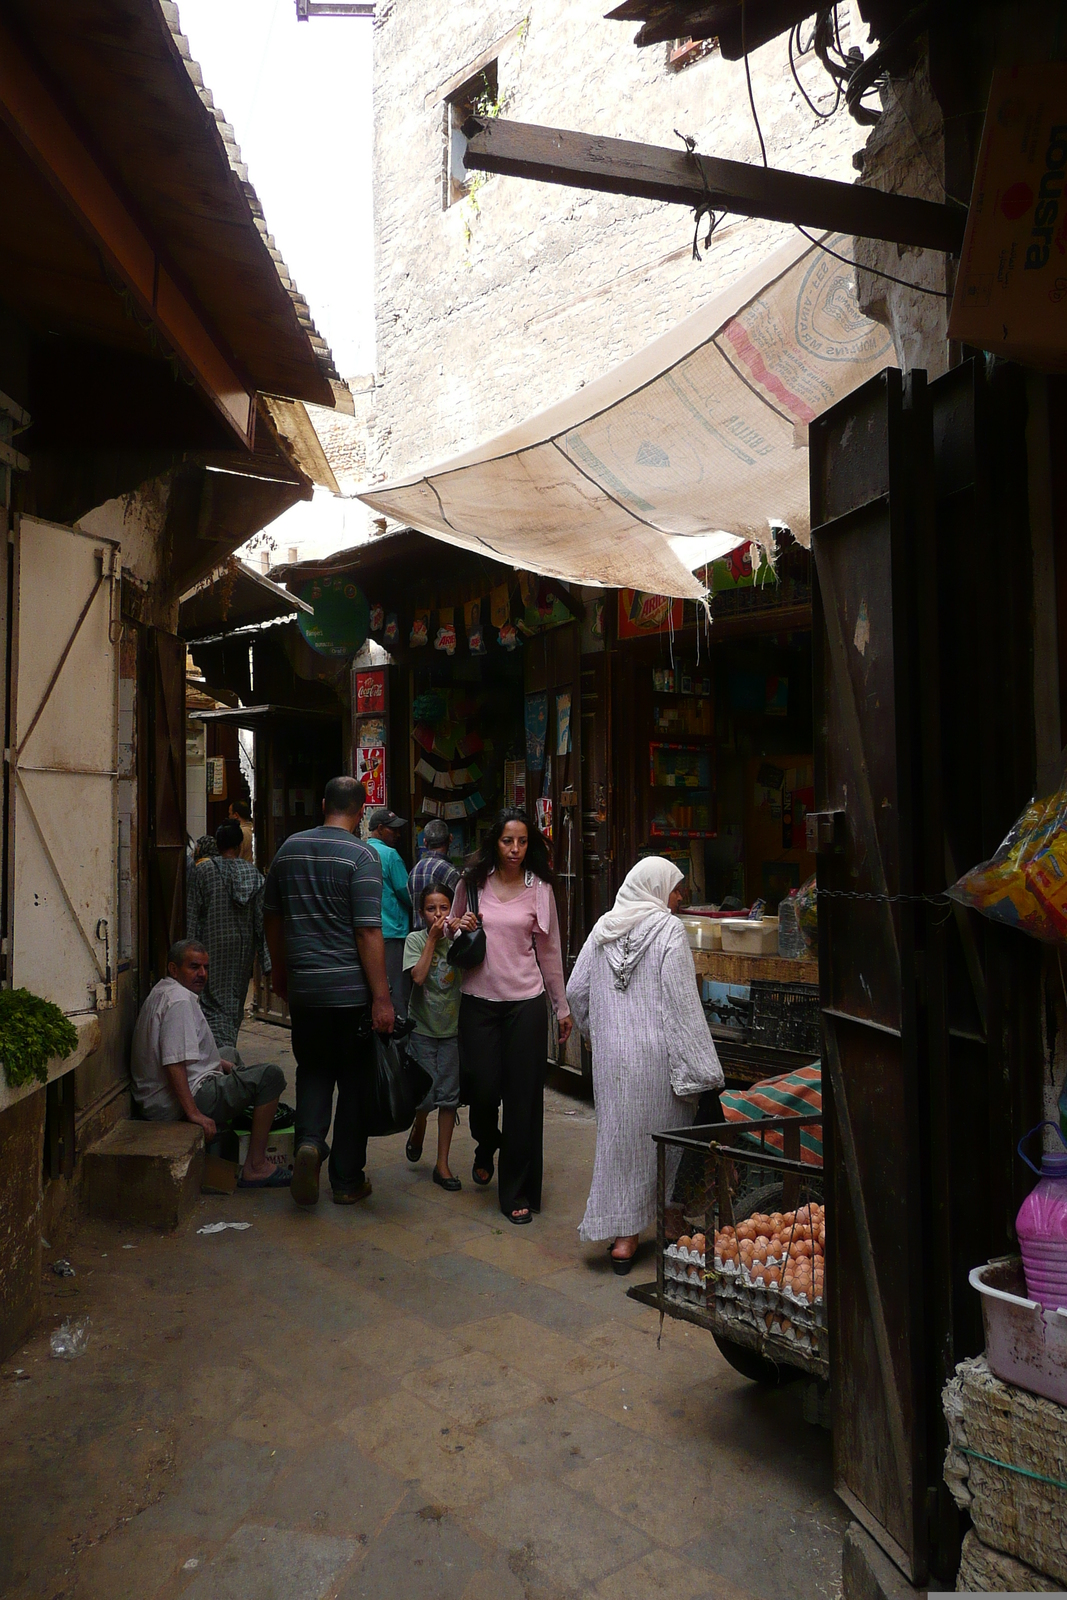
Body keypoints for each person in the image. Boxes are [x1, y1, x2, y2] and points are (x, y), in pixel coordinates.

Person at [567, 858, 723, 1273]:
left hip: (613, 1061)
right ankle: (668, 1221)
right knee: (666, 1140)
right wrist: (704, 1069)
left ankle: (625, 1238)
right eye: (675, 888)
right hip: (659, 1061)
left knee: (621, 1143)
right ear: (655, 888)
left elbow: (575, 991)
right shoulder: (669, 930)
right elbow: (682, 1004)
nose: (679, 897)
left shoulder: (603, 928)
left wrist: (598, 1033)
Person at [263, 776, 394, 1209]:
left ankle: (311, 1144)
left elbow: (273, 920)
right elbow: (367, 931)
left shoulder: (288, 850)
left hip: (305, 991)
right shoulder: (362, 856)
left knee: (313, 1070)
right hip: (350, 994)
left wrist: (280, 973)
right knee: (354, 1084)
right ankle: (346, 1180)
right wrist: (382, 997)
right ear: (360, 813)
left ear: (322, 804)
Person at [451, 808, 572, 1225]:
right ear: (495, 842)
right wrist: (459, 925)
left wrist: (561, 1006)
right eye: (508, 841)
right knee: (482, 1090)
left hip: (525, 1002)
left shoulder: (539, 889)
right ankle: (487, 1143)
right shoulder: (471, 882)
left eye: (522, 841)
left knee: (523, 1101)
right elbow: (450, 927)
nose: (515, 849)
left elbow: (550, 951)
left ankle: (516, 1190)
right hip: (478, 1002)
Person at [130, 939, 288, 1188]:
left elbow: (186, 1053)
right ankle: (256, 1166)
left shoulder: (166, 989)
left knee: (229, 1054)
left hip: (162, 1093)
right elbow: (174, 1063)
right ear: (173, 969)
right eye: (194, 967)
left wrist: (222, 1064)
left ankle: (234, 1124)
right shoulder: (180, 1002)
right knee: (271, 1076)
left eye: (205, 967)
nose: (202, 974)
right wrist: (194, 1114)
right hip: (174, 1103)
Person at [402, 882, 476, 1191]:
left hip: (451, 1031)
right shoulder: (415, 939)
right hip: (421, 1029)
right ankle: (419, 1125)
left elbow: (478, 963)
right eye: (431, 909)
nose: (438, 914)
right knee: (424, 1096)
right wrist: (433, 940)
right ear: (421, 913)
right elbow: (418, 977)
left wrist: (464, 932)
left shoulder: (458, 941)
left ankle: (442, 1163)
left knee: (449, 1099)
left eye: (444, 908)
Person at [186, 818, 270, 1059]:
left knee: (208, 1003)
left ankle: (215, 1057)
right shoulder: (254, 875)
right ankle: (225, 1051)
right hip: (241, 952)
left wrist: (186, 956)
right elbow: (260, 922)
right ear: (240, 843)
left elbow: (192, 914)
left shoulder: (203, 871)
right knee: (233, 1002)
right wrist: (267, 961)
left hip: (209, 948)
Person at [365, 806, 413, 1007]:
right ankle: (397, 1036)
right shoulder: (390, 855)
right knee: (396, 989)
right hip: (392, 932)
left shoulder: (361, 851)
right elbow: (407, 892)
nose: (398, 834)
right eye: (393, 830)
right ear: (380, 828)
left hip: (366, 932)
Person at [407, 818, 460, 930]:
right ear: (450, 839)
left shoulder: (415, 870)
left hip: (419, 937)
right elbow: (459, 906)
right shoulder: (450, 871)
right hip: (443, 935)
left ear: (425, 842)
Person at [228, 798, 255, 862]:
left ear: (236, 815)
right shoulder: (255, 831)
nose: (229, 816)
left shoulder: (237, 833)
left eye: (230, 814)